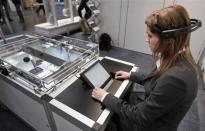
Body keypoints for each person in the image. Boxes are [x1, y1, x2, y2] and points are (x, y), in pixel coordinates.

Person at [91, 5, 200, 131]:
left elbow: (139, 116)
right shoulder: (179, 55)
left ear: (168, 40)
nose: (146, 40)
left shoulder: (176, 78)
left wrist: (105, 96)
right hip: (155, 111)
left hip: (150, 126)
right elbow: (159, 78)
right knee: (125, 95)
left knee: (106, 112)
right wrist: (131, 75)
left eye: (150, 36)